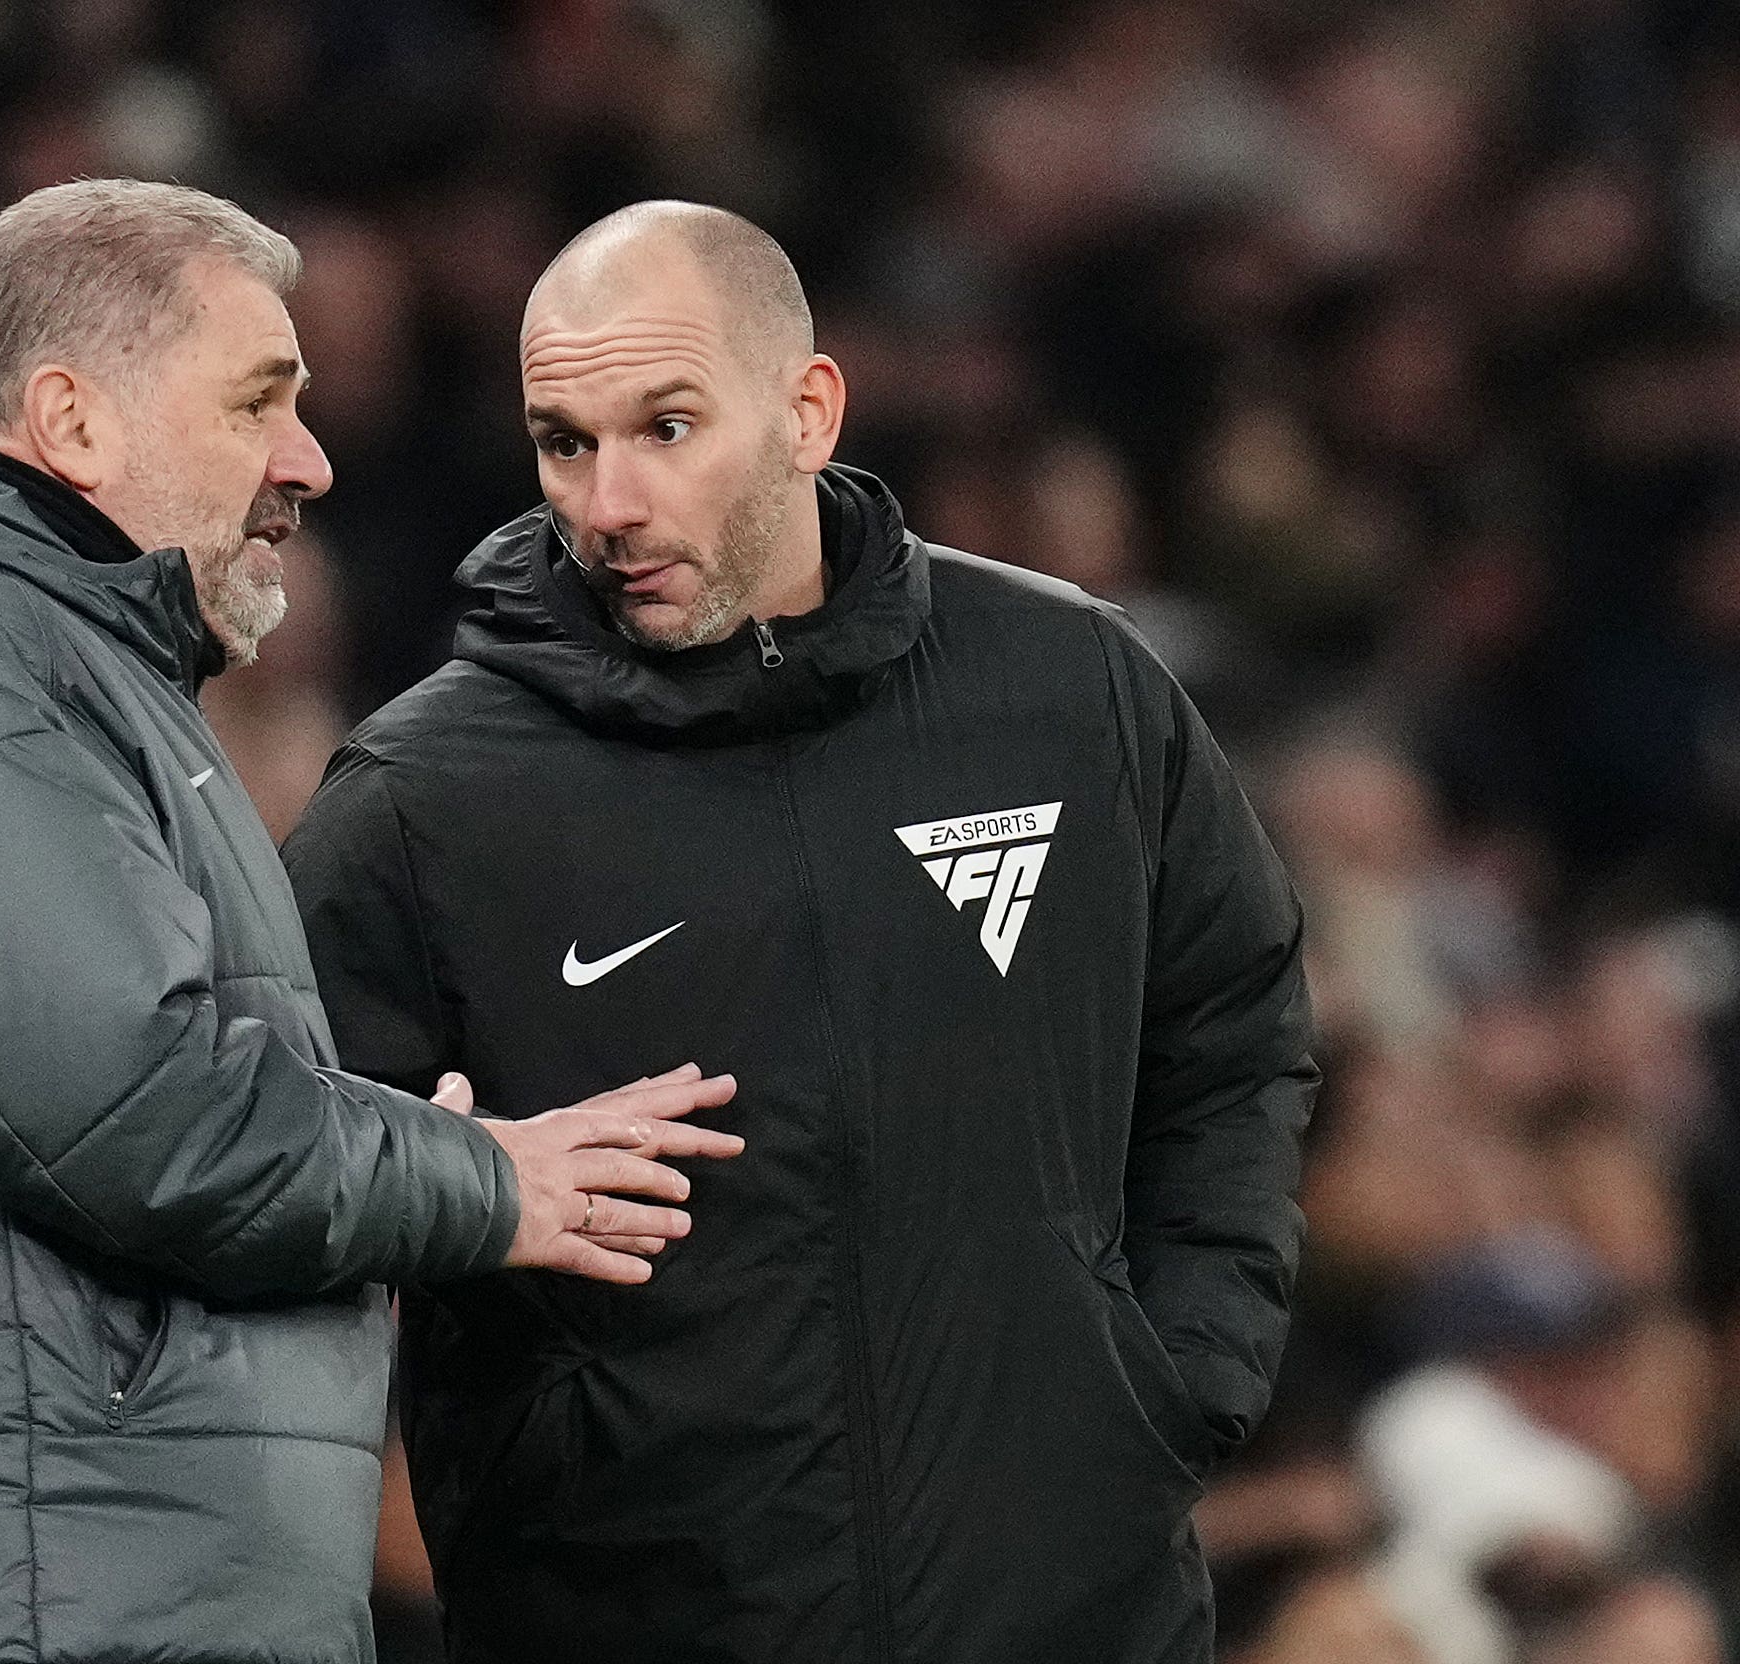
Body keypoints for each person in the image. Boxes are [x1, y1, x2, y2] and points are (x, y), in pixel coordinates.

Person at [0, 179, 742, 1664]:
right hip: (36, 1604)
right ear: (72, 422)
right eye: (259, 401)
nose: (307, 459)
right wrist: (487, 1180)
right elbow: (136, 1113)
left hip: (77, 1583)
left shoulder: (36, 661)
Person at [282, 200, 1319, 1662]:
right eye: (564, 441)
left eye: (666, 426)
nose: (608, 501)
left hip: (1080, 1614)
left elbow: (1234, 1022)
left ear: (807, 410)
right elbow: (282, 1165)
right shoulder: (429, 799)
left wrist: (1175, 1377)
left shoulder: (1068, 690)